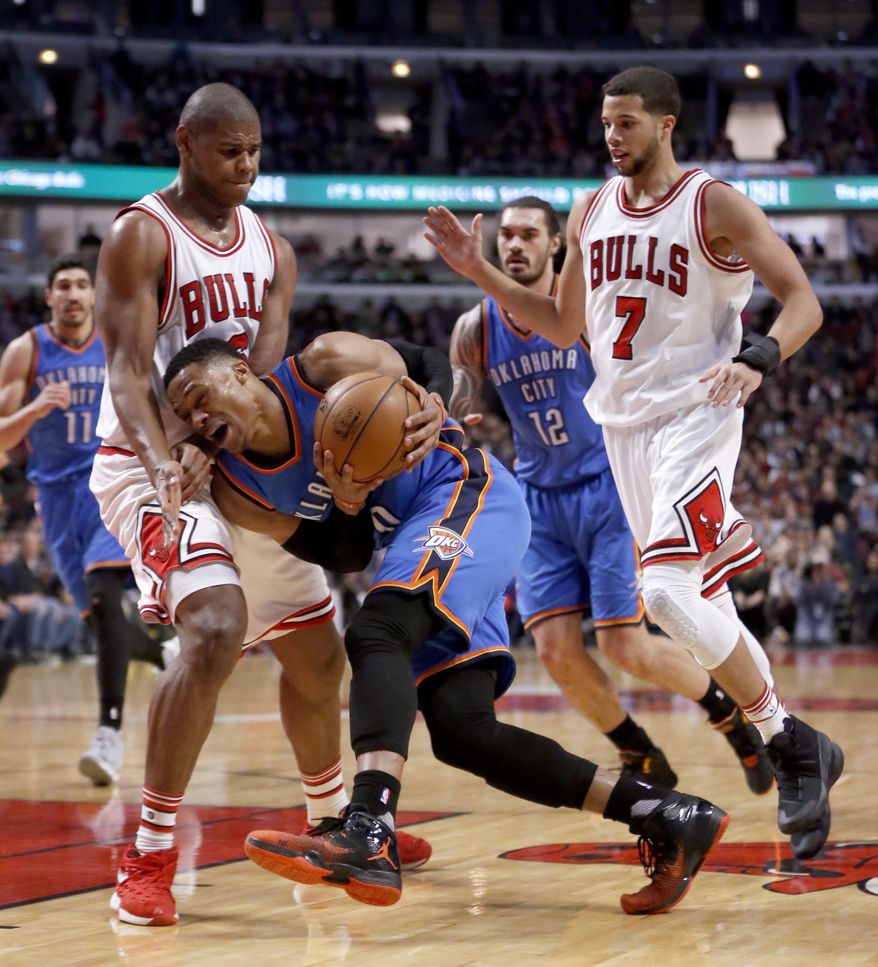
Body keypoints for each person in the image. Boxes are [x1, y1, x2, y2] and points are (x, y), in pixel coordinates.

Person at [423, 65, 843, 860]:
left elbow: (804, 302)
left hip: (701, 414)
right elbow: (560, 322)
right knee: (699, 604)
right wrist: (477, 272)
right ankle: (792, 742)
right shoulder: (589, 210)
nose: (613, 137)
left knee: (662, 592)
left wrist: (758, 357)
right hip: (622, 431)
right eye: (606, 123)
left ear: (667, 123)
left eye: (627, 124)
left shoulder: (712, 202)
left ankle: (786, 743)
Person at [162, 333, 730, 917]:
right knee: (463, 732)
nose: (197, 419)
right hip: (423, 546)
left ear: (237, 370)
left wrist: (433, 400)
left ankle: (368, 826)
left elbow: (421, 355)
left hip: (464, 492)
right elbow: (349, 554)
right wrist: (347, 500)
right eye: (184, 416)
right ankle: (666, 815)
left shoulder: (323, 364)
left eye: (198, 396)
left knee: (375, 631)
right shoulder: (235, 489)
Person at [89, 83, 432, 928]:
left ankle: (328, 821)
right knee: (211, 629)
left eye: (254, 150)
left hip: (236, 457)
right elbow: (129, 374)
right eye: (229, 151)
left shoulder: (272, 249)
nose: (246, 166)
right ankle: (150, 852)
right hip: (145, 460)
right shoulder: (142, 234)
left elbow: (269, 372)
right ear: (186, 143)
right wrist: (169, 457)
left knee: (318, 659)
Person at [450, 195, 772, 794]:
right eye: (506, 236)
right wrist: (459, 420)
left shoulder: (589, 316)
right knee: (552, 650)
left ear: (556, 246)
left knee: (624, 643)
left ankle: (730, 712)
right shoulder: (475, 329)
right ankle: (640, 752)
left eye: (528, 235)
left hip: (607, 484)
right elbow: (461, 402)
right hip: (540, 498)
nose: (513, 245)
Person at [0, 256, 171, 784]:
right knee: (99, 621)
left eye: (81, 285)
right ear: (49, 297)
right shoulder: (25, 351)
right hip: (54, 498)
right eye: (63, 287)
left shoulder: (116, 341)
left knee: (102, 590)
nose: (73, 294)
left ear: (94, 296)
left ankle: (109, 733)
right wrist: (33, 412)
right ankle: (162, 649)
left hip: (110, 481)